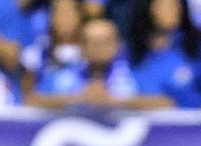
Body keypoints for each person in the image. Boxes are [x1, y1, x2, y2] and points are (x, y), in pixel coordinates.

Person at [27, 13, 172, 108]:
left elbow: (165, 104)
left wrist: (114, 101)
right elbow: (32, 101)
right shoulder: (64, 76)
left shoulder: (133, 75)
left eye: (105, 42)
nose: (99, 48)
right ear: (82, 47)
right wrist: (78, 99)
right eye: (93, 43)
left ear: (117, 45)